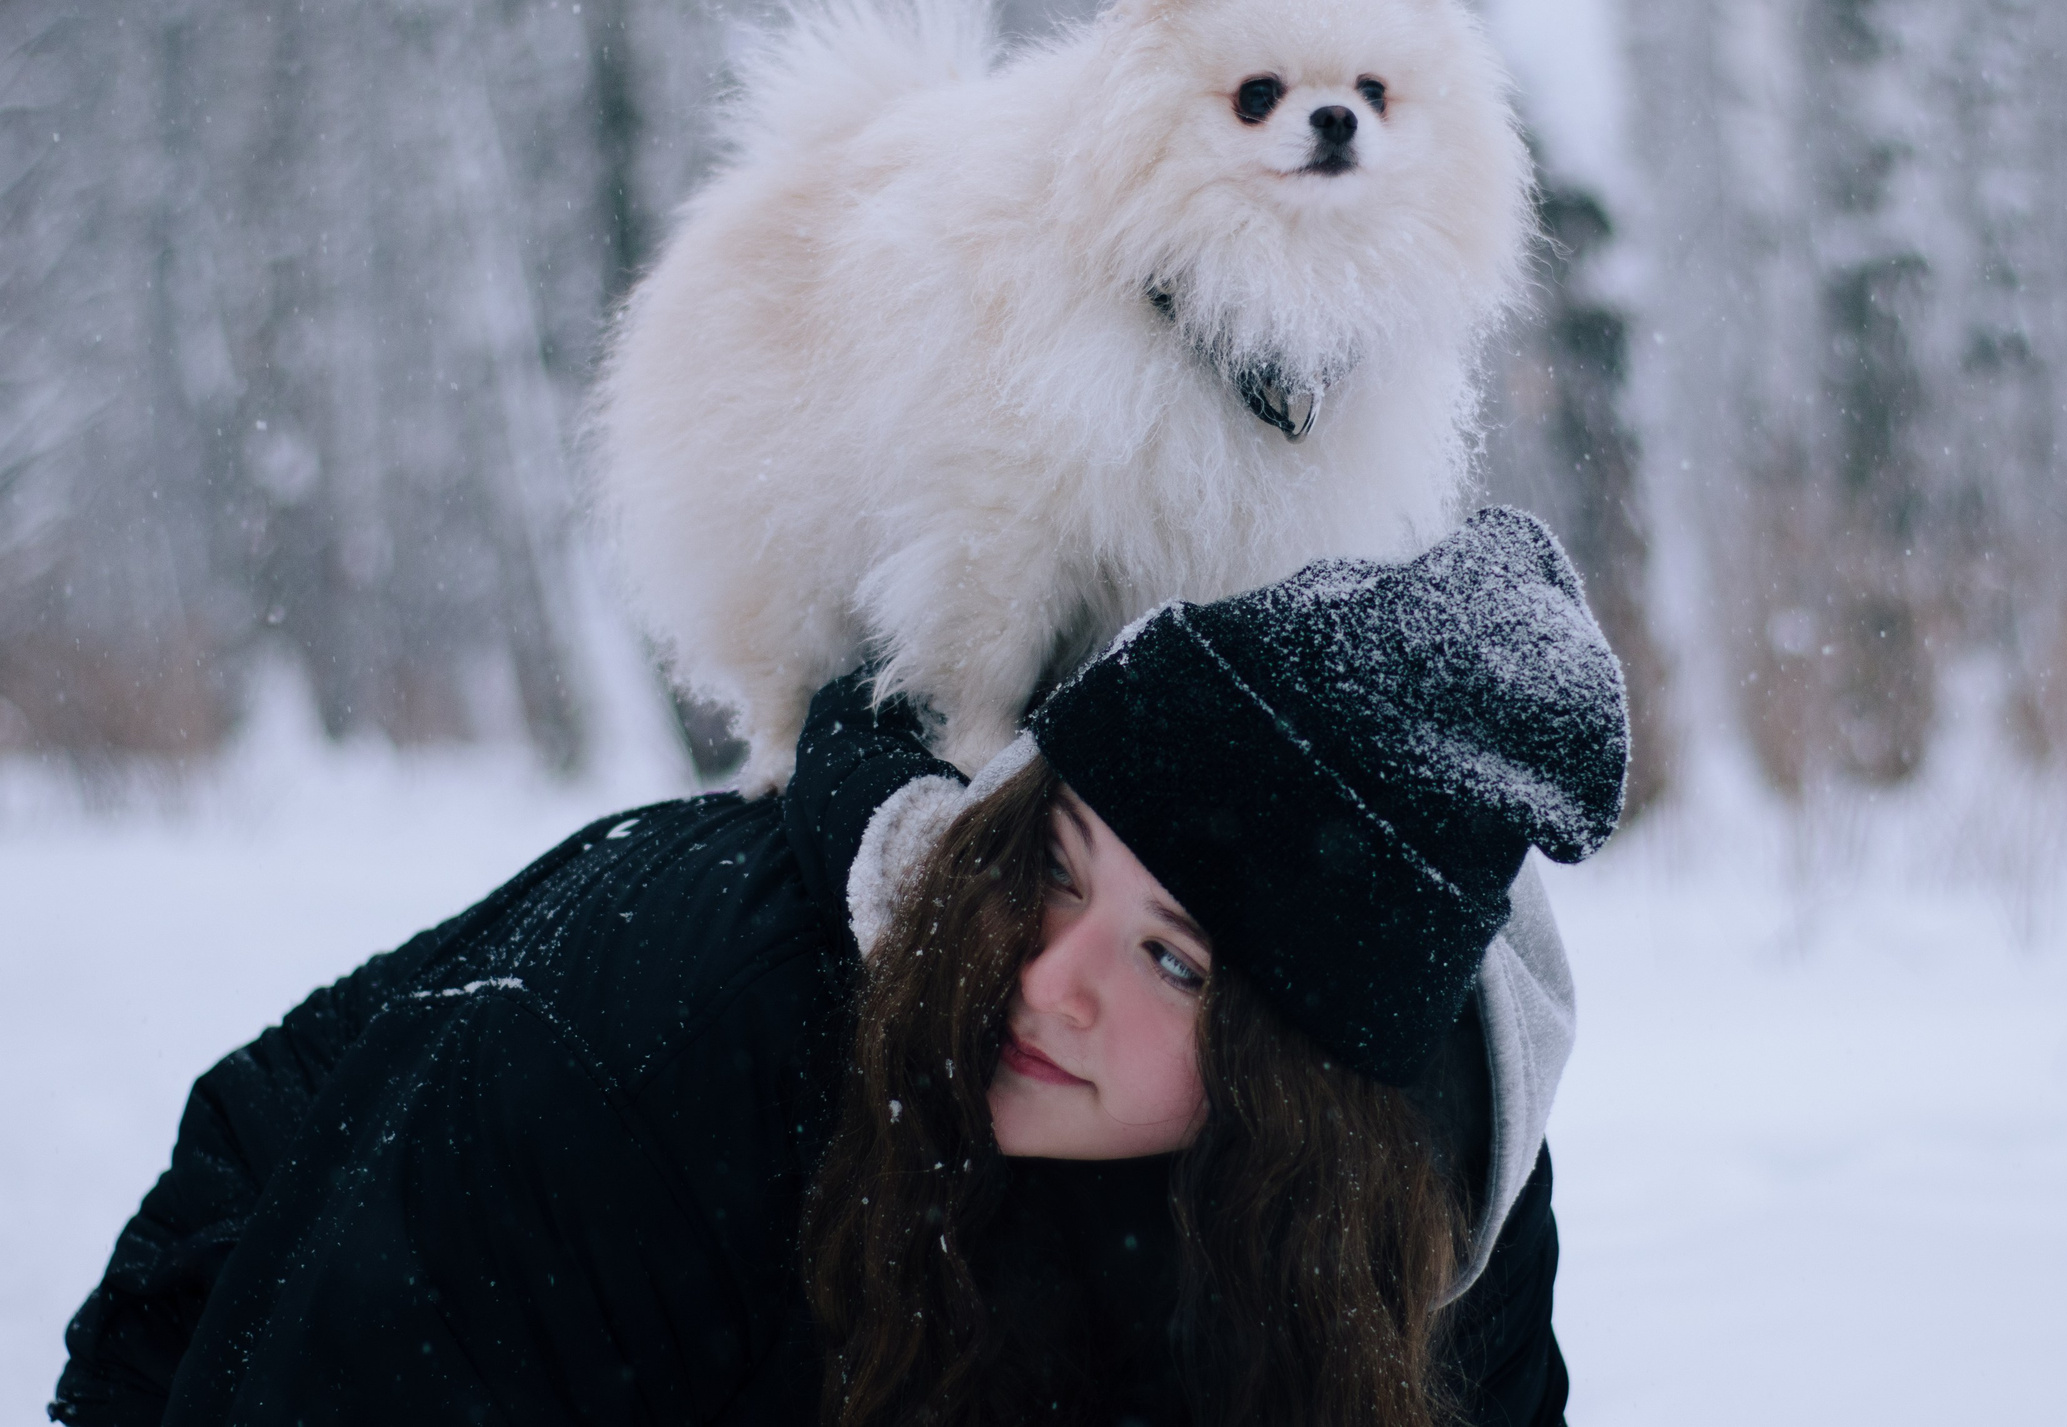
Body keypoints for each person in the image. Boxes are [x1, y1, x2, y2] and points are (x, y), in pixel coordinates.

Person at [52, 507, 1629, 1427]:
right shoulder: (656, 1043)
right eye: (1056, 864)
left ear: (1318, 1085)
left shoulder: (1413, 1190)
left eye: (1173, 960)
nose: (1051, 976)